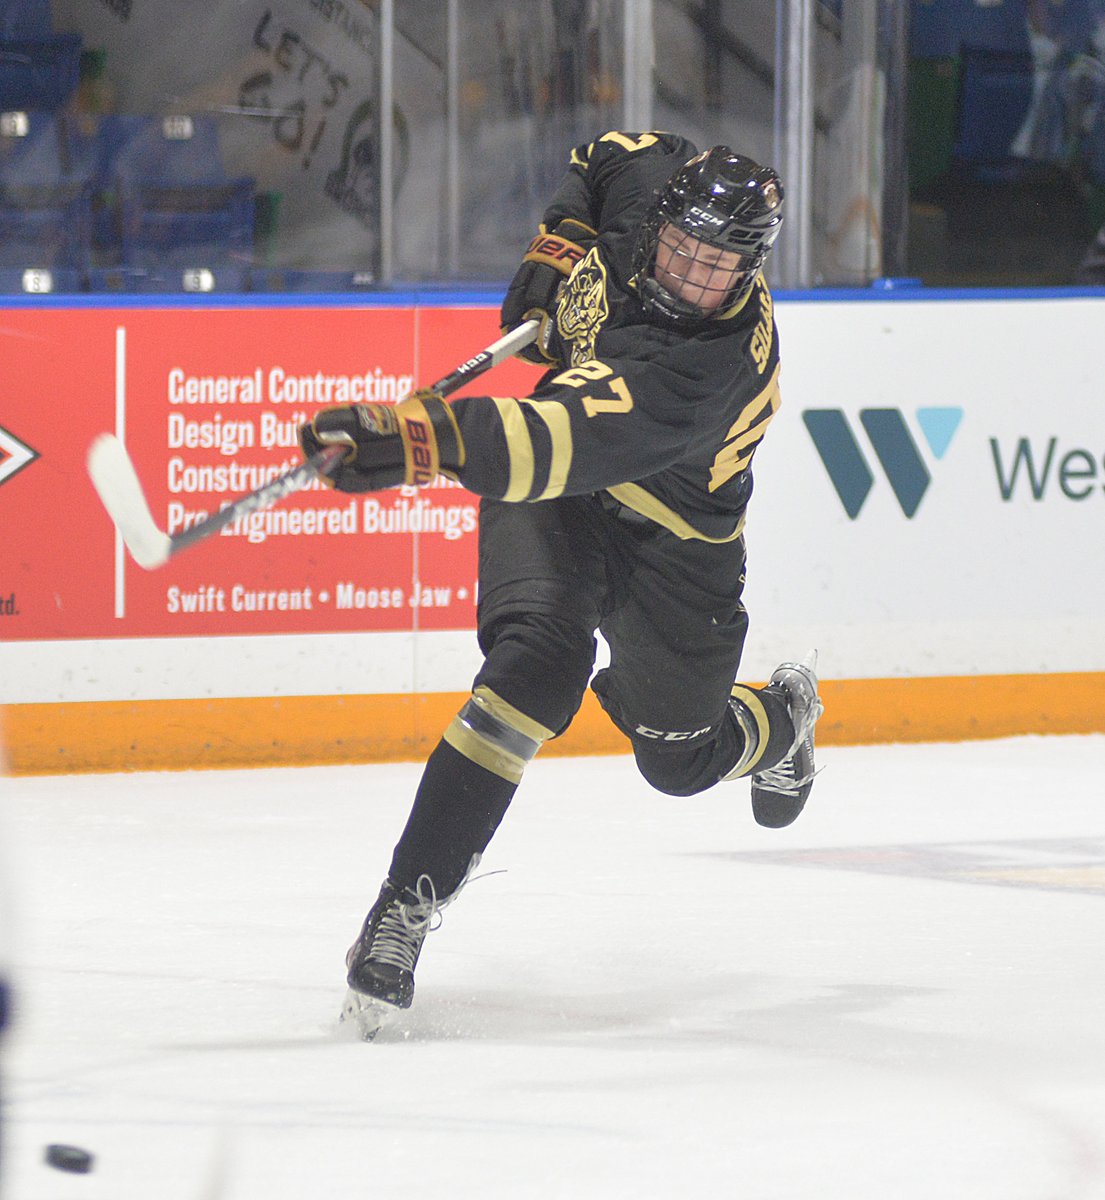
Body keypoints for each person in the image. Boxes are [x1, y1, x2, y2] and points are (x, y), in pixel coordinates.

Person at [299, 130, 824, 1039]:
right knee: (530, 672)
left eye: (717, 266)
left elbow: (554, 443)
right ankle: (401, 911)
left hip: (674, 543)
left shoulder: (708, 365)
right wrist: (558, 243)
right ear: (662, 221)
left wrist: (418, 440)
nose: (692, 273)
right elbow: (609, 151)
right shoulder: (654, 191)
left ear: (748, 269)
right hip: (562, 505)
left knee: (679, 761)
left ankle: (782, 719)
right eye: (682, 251)